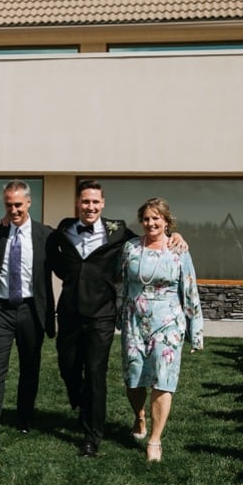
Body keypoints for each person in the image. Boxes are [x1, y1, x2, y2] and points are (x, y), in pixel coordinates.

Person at [48, 180, 142, 458]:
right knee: (68, 366)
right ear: (78, 203)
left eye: (95, 202)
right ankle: (80, 402)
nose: (90, 207)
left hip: (102, 313)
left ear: (103, 204)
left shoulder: (118, 231)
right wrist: (69, 274)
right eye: (85, 201)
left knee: (96, 374)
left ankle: (92, 437)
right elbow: (52, 255)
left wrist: (175, 238)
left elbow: (145, 242)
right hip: (69, 311)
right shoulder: (64, 229)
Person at [0, 180, 57, 451]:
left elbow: (69, 259)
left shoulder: (45, 234)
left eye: (18, 204)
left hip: (31, 309)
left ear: (29, 203)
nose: (14, 209)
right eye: (9, 205)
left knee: (30, 366)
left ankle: (24, 417)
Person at [118, 197, 203, 462]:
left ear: (166, 221)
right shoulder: (130, 248)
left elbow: (190, 288)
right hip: (134, 322)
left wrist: (195, 330)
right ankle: (139, 416)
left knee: (163, 379)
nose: (150, 223)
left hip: (168, 324)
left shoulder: (179, 249)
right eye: (146, 218)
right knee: (133, 379)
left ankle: (155, 439)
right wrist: (121, 317)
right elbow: (123, 285)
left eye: (156, 218)